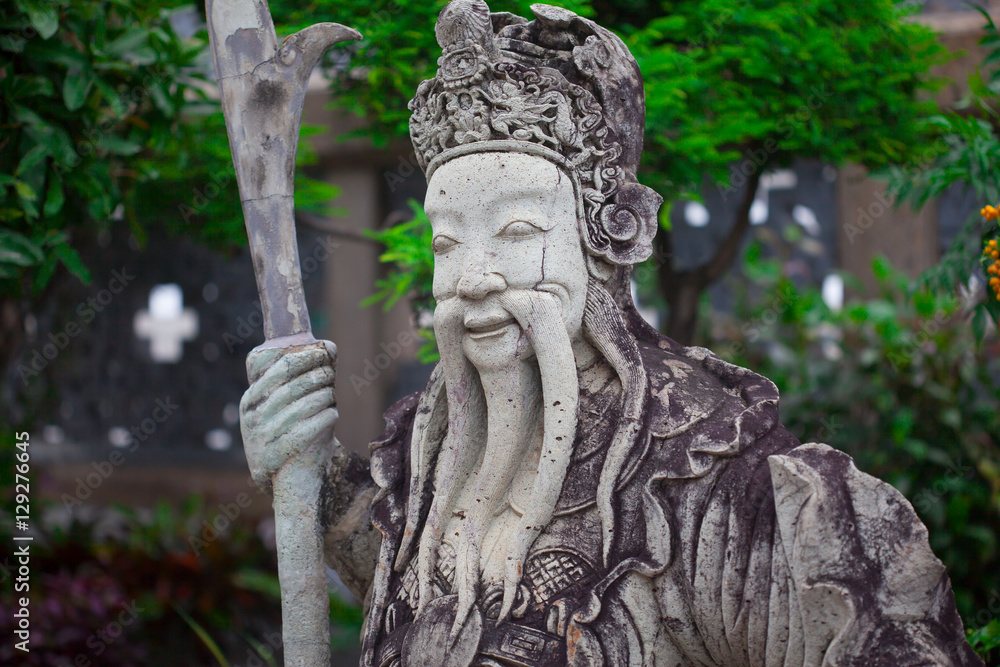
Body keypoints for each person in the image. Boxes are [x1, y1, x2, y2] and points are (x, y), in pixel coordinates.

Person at [239, 2, 983, 665]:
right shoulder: (426, 460)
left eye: (517, 231)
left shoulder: (712, 479)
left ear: (604, 238)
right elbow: (417, 600)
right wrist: (314, 476)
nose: (473, 278)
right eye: (446, 243)